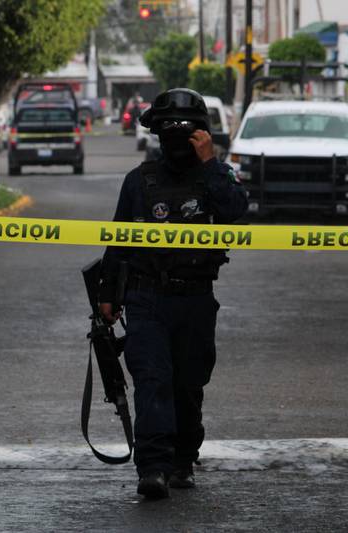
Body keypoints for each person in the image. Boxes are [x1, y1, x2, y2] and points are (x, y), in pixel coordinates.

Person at [98, 88, 248, 499]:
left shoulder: (216, 174)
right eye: (172, 132)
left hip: (196, 298)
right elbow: (118, 241)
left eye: (188, 131)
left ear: (202, 133)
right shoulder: (139, 181)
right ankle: (153, 467)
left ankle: (183, 460)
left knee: (187, 384)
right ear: (158, 136)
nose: (180, 140)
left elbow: (235, 210)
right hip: (146, 298)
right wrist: (108, 293)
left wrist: (211, 162)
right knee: (152, 380)